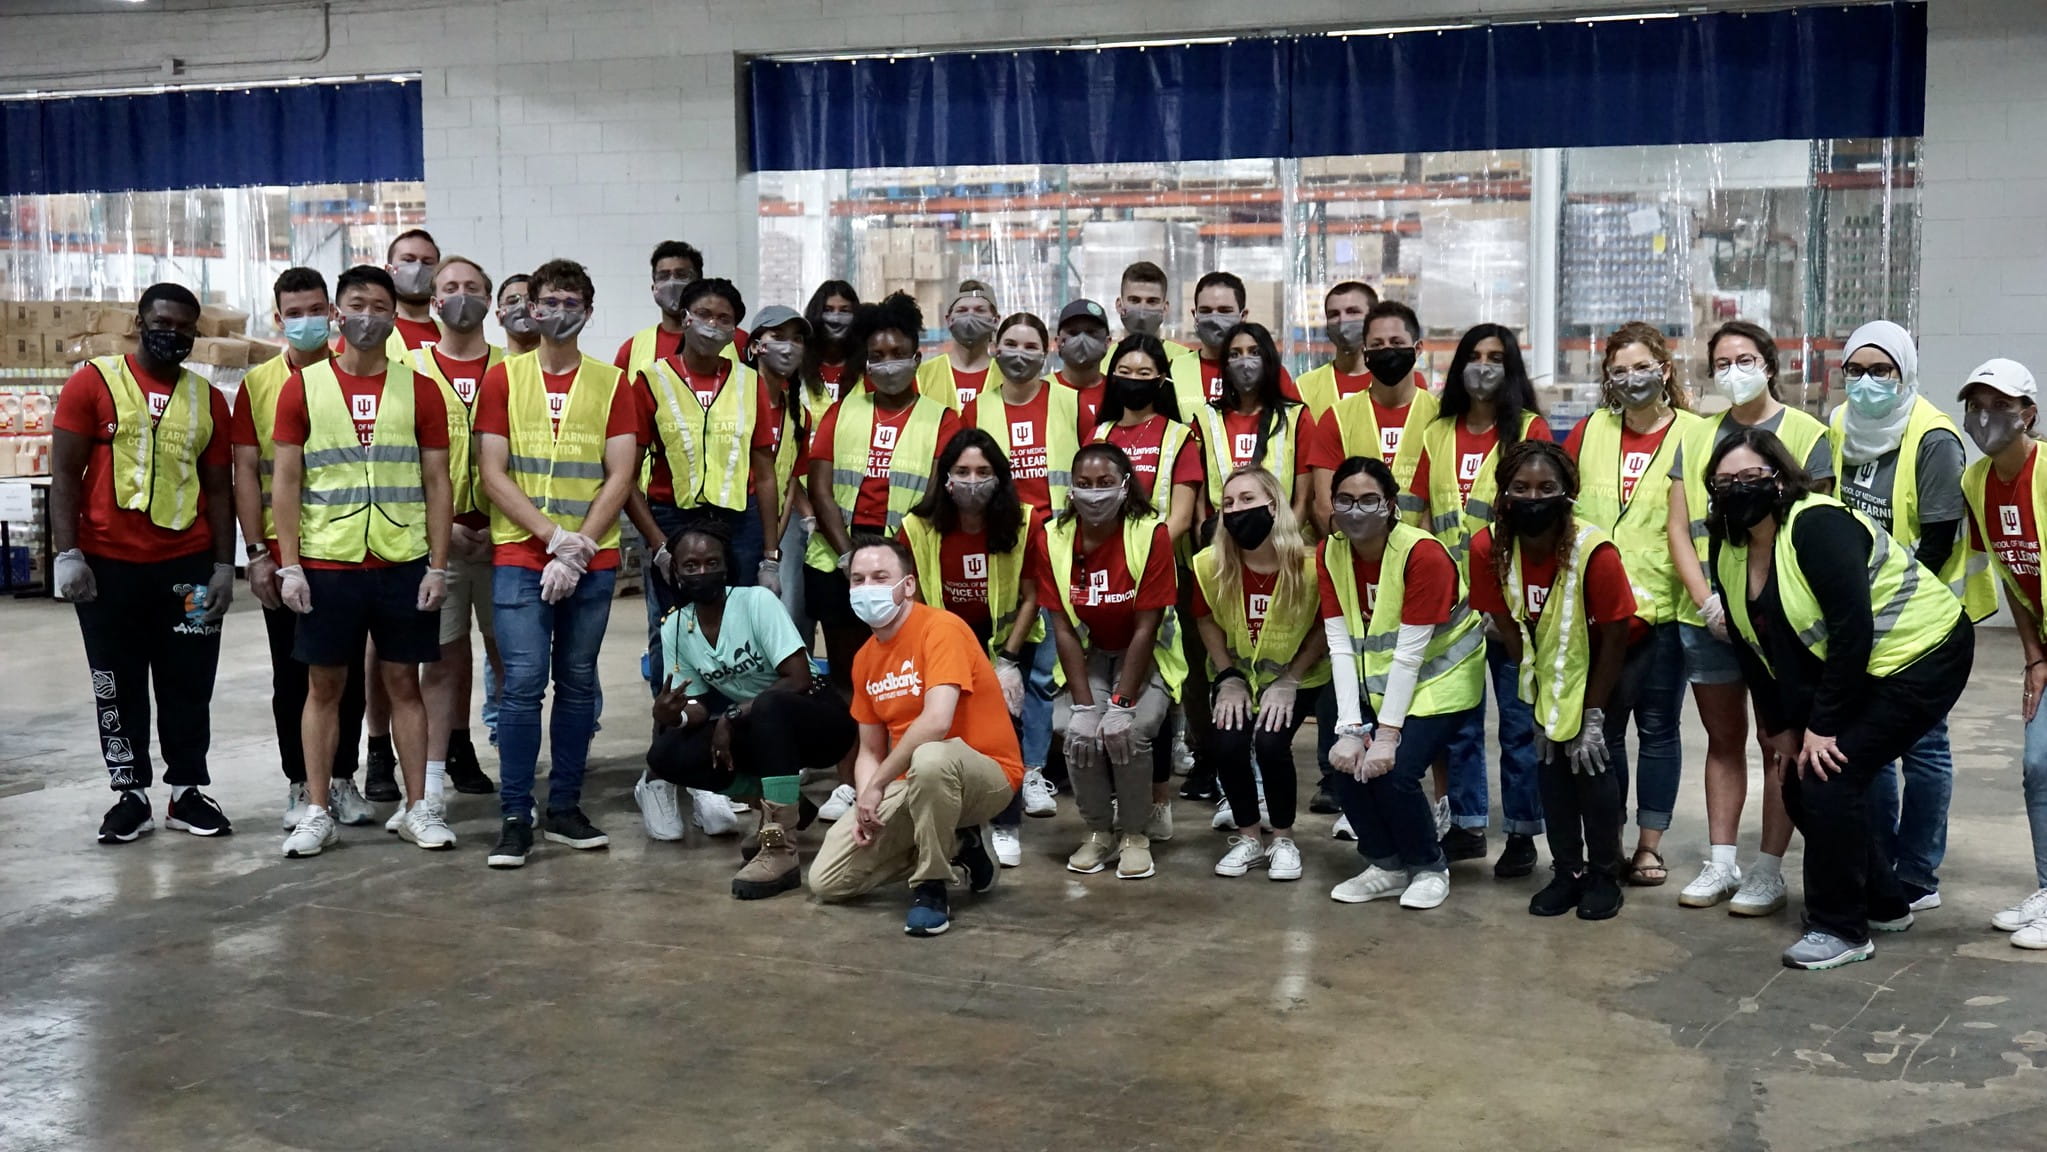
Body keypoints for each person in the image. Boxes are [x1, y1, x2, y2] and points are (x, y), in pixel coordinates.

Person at [1703, 427, 1971, 969]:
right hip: (1863, 667)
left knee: (1828, 777)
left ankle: (1840, 928)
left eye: (1751, 476)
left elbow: (1852, 632)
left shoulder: (1817, 525)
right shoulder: (1728, 544)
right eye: (1724, 482)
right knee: (1798, 780)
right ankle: (1884, 903)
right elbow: (1753, 646)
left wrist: (1822, 727)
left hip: (1924, 654)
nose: (1738, 489)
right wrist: (1780, 729)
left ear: (1780, 479)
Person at [271, 264, 456, 857]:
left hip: (403, 560)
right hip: (329, 561)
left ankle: (418, 806)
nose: (368, 317)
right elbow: (286, 481)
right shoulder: (303, 388)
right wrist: (289, 565)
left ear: (394, 316)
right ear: (337, 314)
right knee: (323, 685)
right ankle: (317, 809)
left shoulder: (420, 389)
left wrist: (437, 565)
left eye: (380, 307)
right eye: (357, 305)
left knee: (404, 682)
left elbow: (437, 482)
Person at [51, 282, 236, 844]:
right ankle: (130, 794)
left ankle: (187, 791)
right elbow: (64, 474)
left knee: (190, 681)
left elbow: (219, 489)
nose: (172, 334)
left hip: (188, 566)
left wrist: (224, 566)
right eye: (162, 323)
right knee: (116, 681)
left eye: (184, 328)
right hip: (108, 569)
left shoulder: (208, 399)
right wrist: (68, 554)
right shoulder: (92, 383)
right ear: (139, 322)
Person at [473, 258, 641, 868]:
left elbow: (620, 473)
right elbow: (492, 472)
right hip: (521, 555)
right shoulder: (503, 379)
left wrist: (581, 546)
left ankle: (565, 806)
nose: (559, 311)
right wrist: (552, 539)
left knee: (576, 682)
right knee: (520, 684)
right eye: (549, 301)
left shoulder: (611, 383)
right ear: (532, 309)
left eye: (573, 302)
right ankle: (515, 814)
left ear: (588, 313)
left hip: (591, 560)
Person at [1665, 320, 1837, 915]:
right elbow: (1679, 529)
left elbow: (1814, 529)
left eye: (1745, 359)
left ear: (1768, 363)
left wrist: (1761, 603)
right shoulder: (1695, 437)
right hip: (1710, 616)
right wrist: (1707, 599)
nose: (1733, 371)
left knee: (1777, 741)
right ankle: (1721, 862)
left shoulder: (1807, 434)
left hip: (1776, 621)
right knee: (1723, 739)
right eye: (1722, 363)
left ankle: (1768, 870)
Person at [1828, 321, 1992, 912]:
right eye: (1856, 371)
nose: (1867, 383)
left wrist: (1885, 604)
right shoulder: (1839, 423)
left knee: (1924, 748)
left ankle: (1918, 872)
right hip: (1859, 614)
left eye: (1882, 371)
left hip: (1924, 620)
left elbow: (1940, 540)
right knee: (1868, 748)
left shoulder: (1933, 437)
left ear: (1905, 373)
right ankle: (1880, 864)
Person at [808, 536, 1024, 938]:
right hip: (916, 784)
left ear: (907, 585)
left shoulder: (941, 629)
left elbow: (936, 721)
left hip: (986, 774)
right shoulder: (865, 659)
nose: (867, 588)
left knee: (930, 757)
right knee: (828, 881)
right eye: (858, 579)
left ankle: (931, 886)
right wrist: (866, 802)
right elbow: (869, 749)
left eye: (880, 577)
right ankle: (961, 845)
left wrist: (878, 784)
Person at [643, 520, 856, 898]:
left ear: (727, 566)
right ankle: (784, 806)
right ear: (675, 572)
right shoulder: (676, 625)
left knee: (770, 706)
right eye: (691, 565)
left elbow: (798, 678)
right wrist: (672, 715)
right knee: (667, 753)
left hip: (819, 718)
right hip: (759, 724)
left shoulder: (756, 602)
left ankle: (781, 849)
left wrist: (732, 715)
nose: (702, 572)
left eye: (712, 562)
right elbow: (696, 705)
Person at [1409, 323, 1552, 877]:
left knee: (1517, 724)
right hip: (1452, 606)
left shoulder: (1529, 429)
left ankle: (1521, 833)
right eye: (1474, 356)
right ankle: (1467, 826)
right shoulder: (1437, 432)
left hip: (1510, 602)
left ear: (1510, 367)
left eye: (1496, 357)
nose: (1484, 366)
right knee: (1460, 723)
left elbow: (1544, 515)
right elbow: (1420, 515)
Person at [1470, 441, 1636, 919]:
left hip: (1611, 658)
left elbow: (1617, 635)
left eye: (1547, 488)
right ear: (1503, 494)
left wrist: (1593, 714)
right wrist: (1541, 700)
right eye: (1520, 488)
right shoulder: (1487, 548)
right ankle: (1567, 872)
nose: (1533, 497)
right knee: (1549, 762)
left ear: (1567, 493)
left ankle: (1605, 874)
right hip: (1548, 664)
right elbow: (1508, 627)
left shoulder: (1595, 552)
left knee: (1591, 762)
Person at [233, 267, 371, 829]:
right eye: (295, 313)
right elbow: (246, 472)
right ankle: (299, 783)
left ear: (333, 314)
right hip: (285, 556)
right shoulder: (258, 386)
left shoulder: (354, 373)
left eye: (316, 310)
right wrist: (258, 554)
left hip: (345, 550)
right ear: (278, 318)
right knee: (292, 676)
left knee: (349, 674)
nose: (307, 321)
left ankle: (342, 779)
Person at [1563, 322, 1700, 888]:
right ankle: (1610, 840)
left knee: (1659, 729)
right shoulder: (1590, 429)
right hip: (1604, 610)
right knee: (1608, 730)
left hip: (1665, 607)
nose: (1631, 379)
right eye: (1619, 371)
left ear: (1664, 370)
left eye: (1642, 367)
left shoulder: (1696, 433)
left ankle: (1649, 845)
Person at [802, 293, 963, 759]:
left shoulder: (943, 420)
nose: (888, 363)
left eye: (898, 353)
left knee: (904, 670)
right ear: (866, 362)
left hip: (904, 559)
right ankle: (850, 769)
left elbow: (934, 495)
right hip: (837, 558)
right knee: (847, 670)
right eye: (878, 355)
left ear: (917, 357)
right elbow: (821, 489)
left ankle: (901, 762)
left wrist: (891, 561)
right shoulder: (842, 412)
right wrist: (849, 556)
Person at [1320, 457, 1483, 910]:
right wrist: (1349, 729)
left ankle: (1429, 867)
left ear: (1391, 505)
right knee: (1345, 765)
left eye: (1369, 500)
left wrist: (1387, 736)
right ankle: (1386, 865)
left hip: (1441, 680)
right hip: (1380, 681)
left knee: (1395, 772)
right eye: (1345, 500)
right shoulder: (1330, 552)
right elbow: (1339, 643)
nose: (1356, 511)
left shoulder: (1422, 554)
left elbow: (1411, 654)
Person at [1304, 298, 1438, 821]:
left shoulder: (1437, 414)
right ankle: (1343, 785)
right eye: (1376, 344)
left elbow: (1437, 498)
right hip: (1353, 567)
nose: (1386, 352)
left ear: (1417, 348)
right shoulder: (1339, 415)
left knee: (1414, 684)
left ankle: (1425, 796)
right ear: (1364, 349)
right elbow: (1324, 504)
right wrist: (1363, 550)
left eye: (1396, 343)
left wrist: (1407, 561)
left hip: (1418, 571)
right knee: (1349, 672)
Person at [900, 428, 1046, 866]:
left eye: (983, 471)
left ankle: (1005, 823)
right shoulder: (916, 526)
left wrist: (1008, 661)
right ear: (945, 477)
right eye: (962, 471)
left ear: (999, 476)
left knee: (1003, 728)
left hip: (1007, 644)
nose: (972, 480)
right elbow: (911, 599)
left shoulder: (1025, 522)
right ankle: (959, 829)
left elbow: (1032, 597)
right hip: (944, 641)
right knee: (945, 729)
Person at [1042, 443, 1184, 879]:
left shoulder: (1150, 533)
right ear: (1070, 490)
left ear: (1125, 485)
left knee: (1130, 732)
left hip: (1146, 653)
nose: (1094, 492)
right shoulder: (1053, 537)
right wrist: (1086, 706)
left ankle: (1136, 834)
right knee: (1076, 731)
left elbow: (1147, 626)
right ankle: (1099, 831)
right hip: (1088, 652)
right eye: (1083, 484)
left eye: (1105, 483)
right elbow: (1062, 628)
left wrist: (1120, 704)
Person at [1089, 335, 1208, 811]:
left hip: (1159, 576)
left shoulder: (1179, 436)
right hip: (1104, 578)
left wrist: (1139, 557)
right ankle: (1116, 794)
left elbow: (1180, 515)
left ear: (1161, 381)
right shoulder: (1099, 434)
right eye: (1125, 372)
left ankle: (1157, 799)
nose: (1133, 381)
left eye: (1144, 373)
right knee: (1110, 679)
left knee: (1155, 684)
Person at [961, 319, 1073, 820]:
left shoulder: (1069, 403)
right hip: (1000, 551)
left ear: (1047, 351)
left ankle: (1033, 771)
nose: (1020, 353)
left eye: (1031, 345)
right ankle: (996, 767)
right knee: (995, 670)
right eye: (1010, 344)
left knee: (1042, 674)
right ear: (994, 348)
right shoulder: (976, 407)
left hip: (1056, 551)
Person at [1196, 466, 1329, 881]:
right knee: (1228, 743)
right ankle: (1249, 837)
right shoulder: (1209, 564)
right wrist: (1227, 676)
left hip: (1297, 678)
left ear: (1274, 504)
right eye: (1228, 502)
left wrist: (1290, 679)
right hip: (1238, 678)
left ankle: (1284, 840)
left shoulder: (1311, 565)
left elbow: (1326, 625)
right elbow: (1205, 619)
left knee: (1271, 744)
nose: (1236, 509)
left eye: (1247, 499)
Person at [1955, 360, 2047, 947]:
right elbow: (2012, 576)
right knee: (2038, 766)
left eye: (2000, 405)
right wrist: (2034, 656)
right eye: (1976, 405)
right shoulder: (1975, 482)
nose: (1985, 417)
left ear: (2028, 414)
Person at [627, 276, 763, 652]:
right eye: (704, 314)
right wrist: (658, 543)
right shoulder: (651, 380)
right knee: (674, 626)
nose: (712, 324)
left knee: (739, 625)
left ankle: (736, 693)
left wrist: (770, 555)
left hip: (739, 521)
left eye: (724, 318)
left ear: (734, 330)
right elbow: (625, 477)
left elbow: (766, 474)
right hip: (672, 518)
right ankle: (674, 693)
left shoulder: (749, 382)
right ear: (685, 317)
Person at [413, 256, 504, 802]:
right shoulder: (410, 370)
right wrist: (441, 527)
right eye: (450, 287)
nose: (462, 295)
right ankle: (428, 788)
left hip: (505, 542)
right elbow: (401, 463)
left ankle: (518, 777)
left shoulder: (514, 369)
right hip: (437, 546)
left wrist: (505, 523)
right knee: (441, 664)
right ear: (434, 302)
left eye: (473, 287)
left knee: (510, 662)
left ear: (489, 300)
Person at [1196, 321, 1313, 526]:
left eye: (1254, 352)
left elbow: (1303, 501)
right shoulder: (1206, 419)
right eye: (1235, 354)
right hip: (1221, 536)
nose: (1245, 361)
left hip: (1280, 536)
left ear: (1269, 359)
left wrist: (1284, 541)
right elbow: (1198, 508)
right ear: (1225, 365)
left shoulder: (1297, 417)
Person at [1171, 271, 1298, 414]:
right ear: (1195, 316)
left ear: (1243, 316)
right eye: (1206, 311)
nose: (1214, 319)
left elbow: (1291, 421)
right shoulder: (1174, 370)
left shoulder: (1270, 372)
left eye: (1224, 311)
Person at [615, 240, 705, 386]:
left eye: (681, 275)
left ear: (699, 284)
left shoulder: (735, 341)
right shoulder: (631, 349)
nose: (672, 283)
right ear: (654, 288)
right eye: (663, 276)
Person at [1295, 280, 1382, 418]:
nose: (1343, 321)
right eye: (1334, 314)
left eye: (1353, 312)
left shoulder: (1405, 383)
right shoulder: (1304, 388)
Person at [915, 281, 998, 410]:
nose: (970, 316)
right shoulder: (922, 376)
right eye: (962, 310)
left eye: (979, 310)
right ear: (949, 320)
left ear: (995, 320)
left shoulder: (1006, 376)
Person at [1114, 260, 1193, 360]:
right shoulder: (1102, 360)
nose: (1142, 309)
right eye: (1134, 300)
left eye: (1152, 301)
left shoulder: (1186, 359)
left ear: (1165, 308)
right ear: (1119, 305)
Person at [1052, 298, 1113, 426]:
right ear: (1058, 342)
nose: (1082, 339)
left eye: (1091, 333)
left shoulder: (1117, 392)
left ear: (1107, 342)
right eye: (1073, 332)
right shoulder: (1042, 390)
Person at [385, 227, 442, 352]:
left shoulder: (451, 336)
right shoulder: (369, 333)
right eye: (408, 260)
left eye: (427, 262)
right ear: (389, 270)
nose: (418, 268)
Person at [496, 273, 540, 357]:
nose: (523, 306)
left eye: (532, 300)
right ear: (499, 317)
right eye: (513, 301)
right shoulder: (490, 363)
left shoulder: (564, 361)